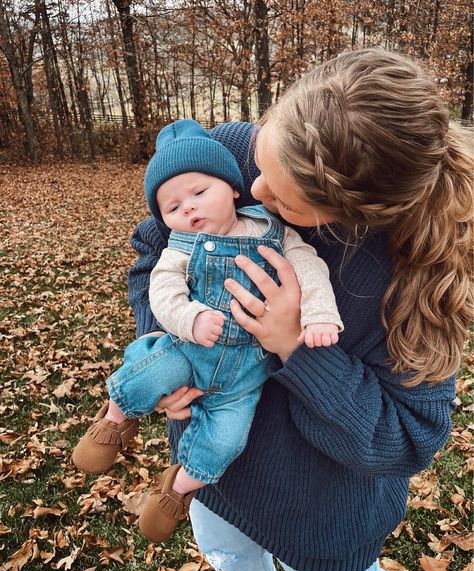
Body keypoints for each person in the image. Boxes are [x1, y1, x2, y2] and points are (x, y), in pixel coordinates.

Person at [127, 49, 473, 571]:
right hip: (214, 470)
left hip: (321, 517)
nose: (253, 191)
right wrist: (173, 341)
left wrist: (297, 345)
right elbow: (157, 244)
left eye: (283, 199)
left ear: (345, 217)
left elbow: (407, 439)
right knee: (231, 557)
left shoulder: (414, 280)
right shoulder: (243, 151)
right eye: (261, 163)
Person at [72, 120, 343, 544]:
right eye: (173, 207)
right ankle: (114, 419)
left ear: (235, 188)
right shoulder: (181, 245)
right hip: (188, 349)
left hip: (244, 377)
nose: (190, 210)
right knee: (149, 373)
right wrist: (190, 319)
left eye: (200, 193)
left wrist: (319, 315)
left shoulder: (273, 231)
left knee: (225, 441)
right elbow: (161, 289)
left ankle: (176, 490)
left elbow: (309, 269)